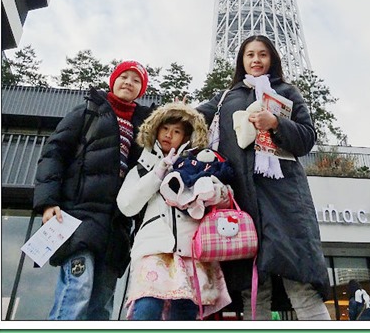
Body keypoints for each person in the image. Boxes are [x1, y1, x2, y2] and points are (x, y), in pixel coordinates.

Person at [197, 34, 331, 321]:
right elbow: (194, 120)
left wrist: (276, 123)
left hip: (284, 199)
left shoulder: (287, 91)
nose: (256, 60)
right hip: (241, 200)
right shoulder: (226, 96)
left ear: (272, 59)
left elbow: (306, 137)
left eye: (262, 54)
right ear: (241, 60)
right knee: (253, 289)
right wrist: (174, 113)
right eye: (250, 55)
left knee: (299, 281)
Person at [33, 60, 154, 320]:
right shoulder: (88, 111)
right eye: (124, 76)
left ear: (141, 89)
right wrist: (47, 202)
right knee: (77, 289)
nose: (128, 83)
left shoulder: (145, 126)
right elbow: (53, 154)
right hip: (78, 215)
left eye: (136, 80)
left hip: (117, 225)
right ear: (113, 80)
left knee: (102, 303)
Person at [116, 101, 233, 320]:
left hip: (192, 250)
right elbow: (126, 205)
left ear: (187, 137)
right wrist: (158, 173)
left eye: (177, 131)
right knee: (147, 308)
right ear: (156, 130)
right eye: (165, 129)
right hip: (154, 248)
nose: (169, 135)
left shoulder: (202, 163)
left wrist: (210, 191)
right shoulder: (143, 166)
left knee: (185, 313)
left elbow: (225, 198)